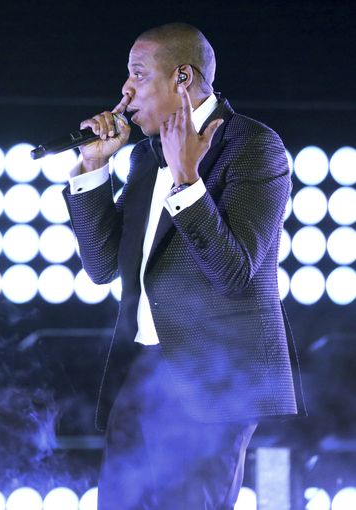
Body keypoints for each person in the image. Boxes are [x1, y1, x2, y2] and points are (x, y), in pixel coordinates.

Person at [63, 23, 305, 509]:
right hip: (142, 371)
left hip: (213, 381)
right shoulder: (142, 159)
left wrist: (187, 178)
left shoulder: (254, 146)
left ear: (182, 77)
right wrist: (94, 169)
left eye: (137, 74)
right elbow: (101, 267)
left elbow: (235, 272)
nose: (125, 90)